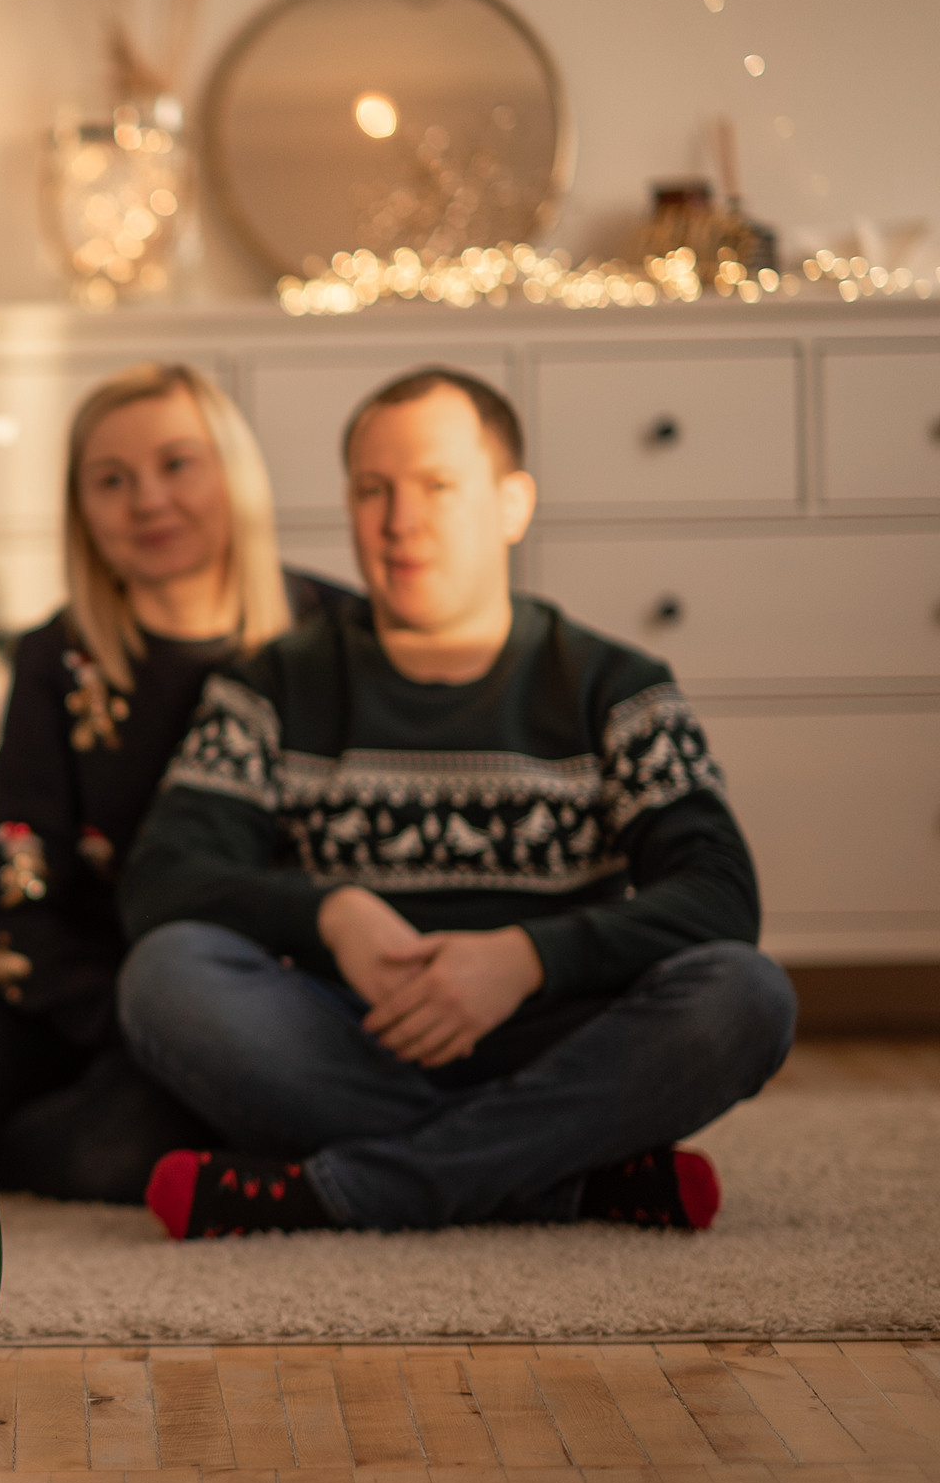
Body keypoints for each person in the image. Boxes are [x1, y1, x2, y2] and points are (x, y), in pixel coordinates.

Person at [117, 367, 795, 1238]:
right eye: (373, 490)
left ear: (513, 505)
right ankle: (557, 1174)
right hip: (351, 1044)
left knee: (746, 995)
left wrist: (527, 958)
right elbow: (162, 880)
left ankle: (360, 1189)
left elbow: (720, 897)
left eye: (437, 486)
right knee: (168, 976)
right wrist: (331, 914)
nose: (400, 521)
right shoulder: (276, 685)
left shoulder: (616, 687)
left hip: (562, 1038)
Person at [0, 363, 347, 1200]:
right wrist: (114, 1013)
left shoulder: (333, 639)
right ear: (83, 512)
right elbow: (16, 873)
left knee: (109, 1158)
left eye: (177, 465)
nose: (147, 500)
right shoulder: (59, 656)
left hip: (223, 1008)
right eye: (111, 481)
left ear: (234, 473)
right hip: (50, 981)